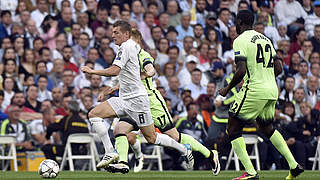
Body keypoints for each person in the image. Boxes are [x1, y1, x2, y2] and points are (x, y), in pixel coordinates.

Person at [101, 29, 220, 174]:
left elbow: (151, 71)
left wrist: (144, 75)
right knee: (119, 130)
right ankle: (123, 163)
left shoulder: (143, 55)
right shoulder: (128, 58)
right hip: (134, 103)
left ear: (136, 42)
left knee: (175, 136)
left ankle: (210, 154)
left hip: (152, 102)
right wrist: (113, 88)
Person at [80, 21, 193, 173]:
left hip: (138, 100)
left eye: (116, 32)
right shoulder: (126, 47)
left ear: (126, 35)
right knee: (94, 114)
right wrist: (109, 90)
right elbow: (122, 74)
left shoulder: (127, 46)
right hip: (125, 98)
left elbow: (115, 70)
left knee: (151, 138)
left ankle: (183, 149)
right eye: (112, 32)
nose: (112, 35)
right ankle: (110, 152)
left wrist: (92, 71)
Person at [218, 10, 303, 180]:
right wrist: (266, 79)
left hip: (255, 89)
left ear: (240, 22)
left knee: (233, 127)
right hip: (272, 89)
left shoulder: (240, 40)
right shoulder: (265, 39)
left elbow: (241, 70)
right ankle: (294, 166)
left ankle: (250, 172)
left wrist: (227, 89)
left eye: (236, 22)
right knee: (267, 127)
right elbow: (278, 68)